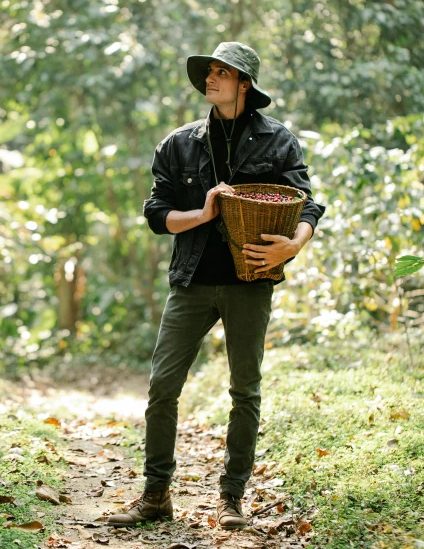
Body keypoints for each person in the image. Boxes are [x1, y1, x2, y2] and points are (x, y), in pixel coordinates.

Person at [108, 42, 325, 530]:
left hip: (251, 280)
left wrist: (290, 247)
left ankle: (231, 500)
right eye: (208, 71)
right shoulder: (179, 144)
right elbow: (157, 215)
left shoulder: (278, 141)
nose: (210, 78)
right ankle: (155, 495)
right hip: (191, 282)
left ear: (244, 84)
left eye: (222, 72)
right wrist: (203, 214)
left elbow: (308, 205)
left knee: (244, 391)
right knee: (162, 386)